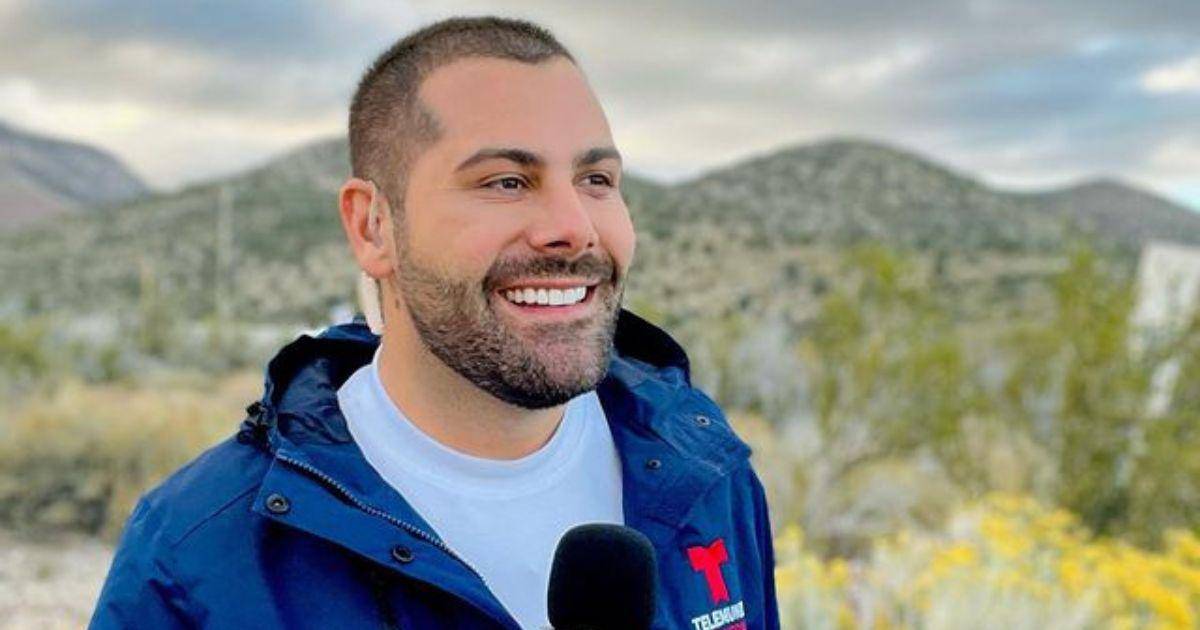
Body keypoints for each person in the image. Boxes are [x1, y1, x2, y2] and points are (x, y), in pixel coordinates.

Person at [90, 15, 780, 630]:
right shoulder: (196, 556)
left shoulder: (705, 472)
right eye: (506, 181)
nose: (574, 227)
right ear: (373, 226)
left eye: (596, 180)